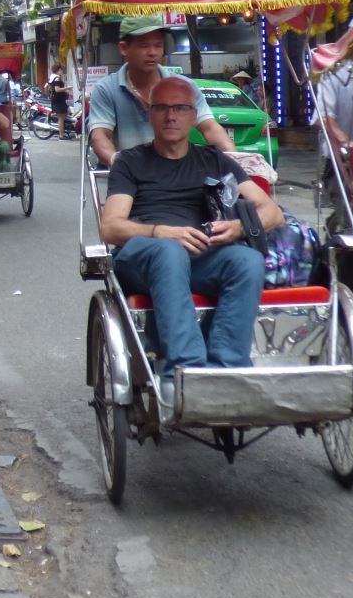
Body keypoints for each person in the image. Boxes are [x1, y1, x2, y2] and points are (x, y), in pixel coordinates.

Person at [100, 75, 283, 383]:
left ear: (194, 116)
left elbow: (272, 212)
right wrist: (160, 232)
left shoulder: (215, 160)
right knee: (170, 252)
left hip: (200, 256)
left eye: (181, 108)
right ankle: (187, 372)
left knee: (248, 261)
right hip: (144, 257)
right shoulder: (129, 162)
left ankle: (227, 370)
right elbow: (111, 227)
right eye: (162, 108)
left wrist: (239, 227)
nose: (171, 116)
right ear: (150, 114)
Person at [88, 17, 236, 166]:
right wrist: (119, 164)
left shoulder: (184, 86)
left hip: (178, 176)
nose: (152, 52)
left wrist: (235, 161)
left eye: (158, 45)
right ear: (124, 48)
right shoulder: (106, 89)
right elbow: (100, 136)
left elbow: (210, 128)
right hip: (130, 179)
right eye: (144, 46)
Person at [46, 70, 75, 138]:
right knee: (61, 118)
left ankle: (53, 115)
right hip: (59, 100)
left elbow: (45, 86)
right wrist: (67, 88)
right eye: (61, 70)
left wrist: (48, 95)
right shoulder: (57, 78)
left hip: (56, 99)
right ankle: (61, 136)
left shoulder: (51, 77)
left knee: (67, 112)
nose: (62, 71)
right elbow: (57, 89)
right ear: (58, 70)